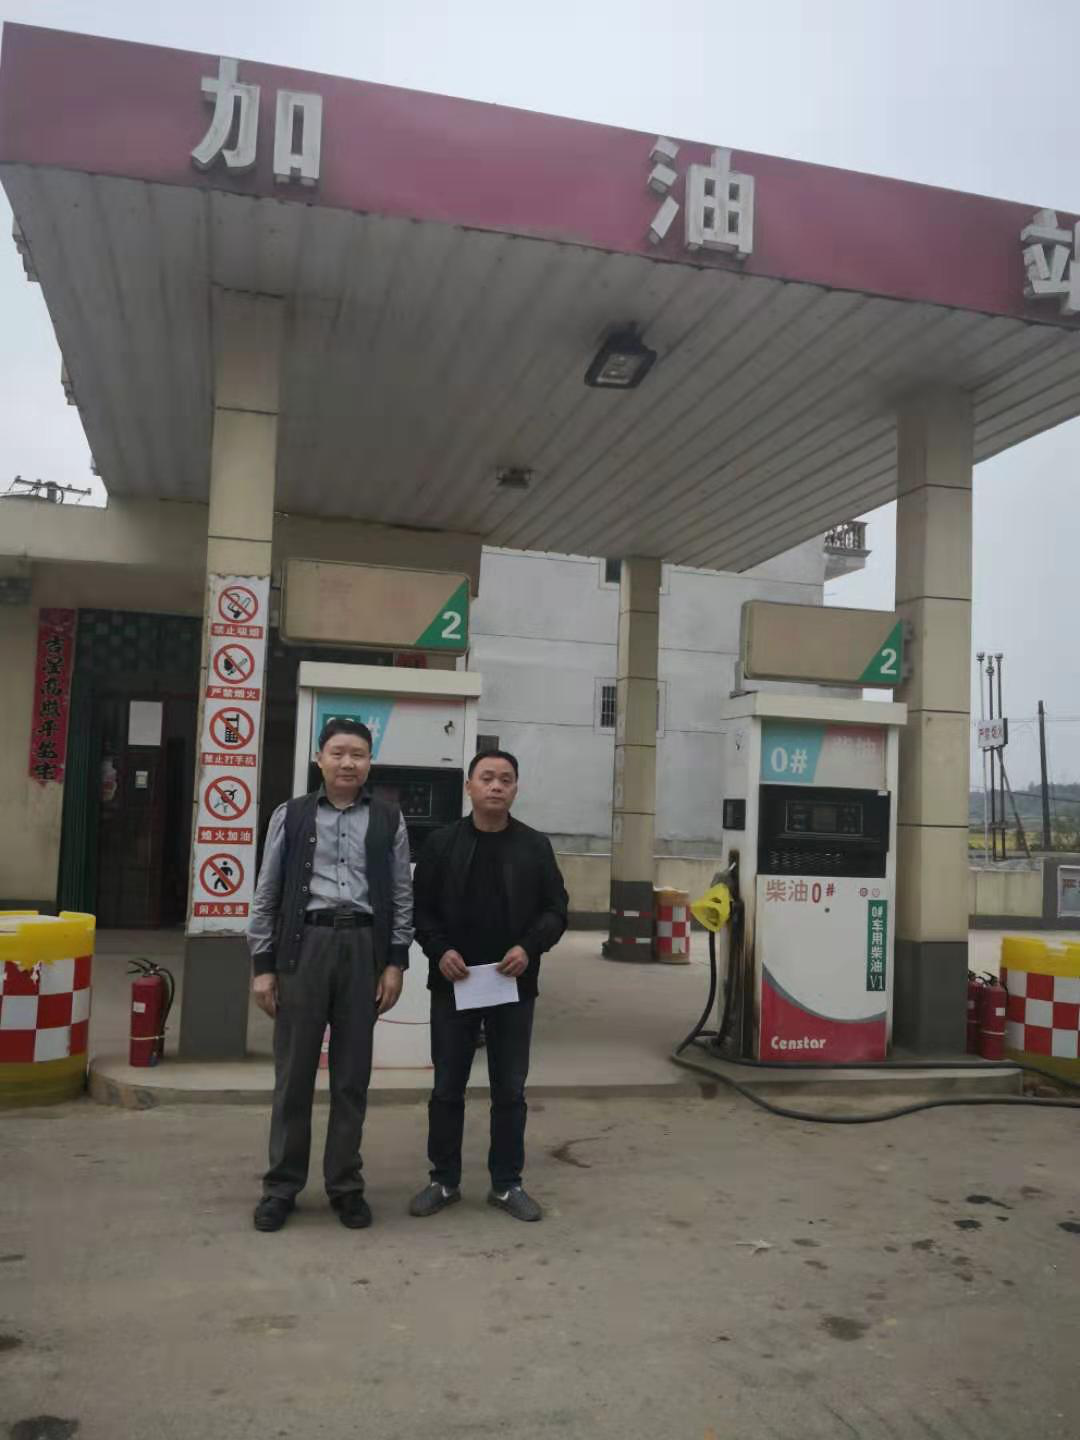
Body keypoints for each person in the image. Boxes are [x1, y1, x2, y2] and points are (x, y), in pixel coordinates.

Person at [246, 719, 412, 1233]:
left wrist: (395, 961)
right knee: (293, 1076)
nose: (347, 762)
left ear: (369, 762)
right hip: (304, 948)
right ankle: (281, 1187)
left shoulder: (388, 819)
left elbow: (401, 895)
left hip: (363, 949)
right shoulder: (291, 815)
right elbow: (267, 891)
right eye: (338, 752)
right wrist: (263, 966)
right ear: (319, 758)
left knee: (351, 1077)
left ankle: (345, 1185)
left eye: (358, 754)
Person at [409, 749, 568, 1223]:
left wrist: (529, 947)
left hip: (511, 986)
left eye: (505, 779)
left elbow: (556, 910)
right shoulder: (442, 843)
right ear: (470, 786)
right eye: (487, 778)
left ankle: (506, 1183)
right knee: (447, 1086)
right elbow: (420, 910)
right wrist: (440, 950)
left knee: (510, 1089)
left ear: (515, 788)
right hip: (454, 984)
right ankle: (443, 1180)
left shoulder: (534, 846)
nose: (496, 786)